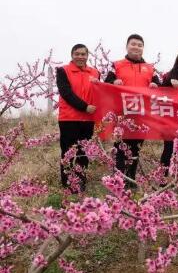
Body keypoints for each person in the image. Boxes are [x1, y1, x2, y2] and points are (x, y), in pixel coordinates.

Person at [104, 34, 160, 186]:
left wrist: (156, 85)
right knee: (120, 147)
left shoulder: (150, 68)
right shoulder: (116, 65)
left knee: (136, 148)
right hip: (121, 114)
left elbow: (158, 84)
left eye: (139, 45)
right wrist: (113, 81)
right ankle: (119, 180)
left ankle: (131, 179)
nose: (136, 47)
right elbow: (105, 82)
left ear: (143, 48)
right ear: (127, 46)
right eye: (133, 44)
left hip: (141, 114)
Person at [56, 43, 99, 192]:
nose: (80, 57)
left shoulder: (95, 72)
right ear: (72, 55)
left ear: (87, 56)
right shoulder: (63, 71)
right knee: (67, 152)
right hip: (69, 118)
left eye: (83, 54)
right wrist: (84, 106)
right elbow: (66, 93)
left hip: (88, 119)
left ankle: (81, 182)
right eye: (77, 54)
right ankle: (67, 184)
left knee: (84, 151)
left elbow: (101, 92)